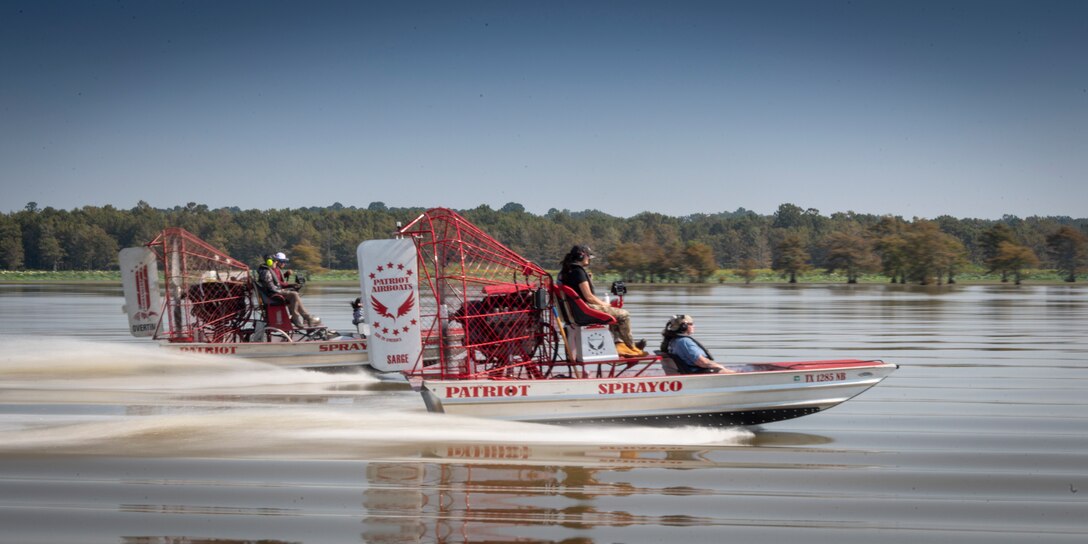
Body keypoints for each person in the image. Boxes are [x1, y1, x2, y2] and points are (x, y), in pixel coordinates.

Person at [558, 245, 646, 354]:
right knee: (623, 315)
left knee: (615, 314)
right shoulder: (578, 272)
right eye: (588, 257)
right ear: (582, 256)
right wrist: (606, 305)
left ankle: (620, 344)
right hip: (584, 312)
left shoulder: (564, 272)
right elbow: (589, 297)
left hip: (573, 313)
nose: (589, 259)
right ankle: (631, 347)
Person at [257, 252, 320, 328]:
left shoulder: (267, 270)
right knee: (294, 294)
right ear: (270, 262)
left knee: (294, 294)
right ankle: (298, 318)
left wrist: (288, 288)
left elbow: (276, 283)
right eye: (275, 261)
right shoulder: (266, 272)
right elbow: (272, 289)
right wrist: (285, 291)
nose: (276, 263)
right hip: (272, 296)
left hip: (272, 293)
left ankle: (306, 317)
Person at [659, 314, 733, 374]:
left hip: (686, 372)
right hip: (696, 373)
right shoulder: (684, 341)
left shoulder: (672, 340)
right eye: (691, 324)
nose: (694, 326)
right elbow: (702, 362)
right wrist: (721, 367)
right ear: (683, 326)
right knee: (728, 372)